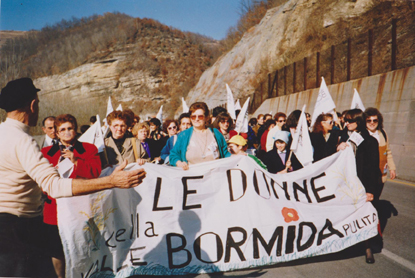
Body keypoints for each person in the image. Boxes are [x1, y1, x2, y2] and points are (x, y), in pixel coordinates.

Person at [0, 78, 146, 276]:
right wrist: (111, 181)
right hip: (19, 228)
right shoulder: (23, 141)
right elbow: (53, 185)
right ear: (33, 105)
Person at [41, 114, 101, 278]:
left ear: (75, 130)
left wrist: (76, 161)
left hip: (80, 209)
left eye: (70, 128)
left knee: (82, 246)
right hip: (54, 210)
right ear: (57, 134)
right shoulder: (45, 153)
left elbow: (95, 173)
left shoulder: (89, 149)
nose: (67, 132)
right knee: (57, 249)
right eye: (62, 130)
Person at [337, 109, 382, 264]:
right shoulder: (341, 137)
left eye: (350, 121)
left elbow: (373, 169)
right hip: (345, 185)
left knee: (364, 216)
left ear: (359, 122)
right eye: (345, 120)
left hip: (361, 185)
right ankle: (346, 245)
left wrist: (370, 191)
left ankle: (367, 248)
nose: (346, 123)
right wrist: (337, 148)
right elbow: (327, 158)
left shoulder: (370, 141)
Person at [169, 102, 231, 170]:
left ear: (206, 118)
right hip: (193, 177)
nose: (196, 119)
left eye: (200, 116)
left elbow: (225, 153)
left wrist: (238, 156)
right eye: (193, 116)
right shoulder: (184, 135)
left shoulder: (216, 133)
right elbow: (173, 155)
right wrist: (178, 163)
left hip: (214, 176)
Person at [365, 107, 396, 195]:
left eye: (375, 120)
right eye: (369, 120)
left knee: (376, 200)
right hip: (366, 176)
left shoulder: (383, 133)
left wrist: (392, 168)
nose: (372, 123)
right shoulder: (361, 134)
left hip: (380, 175)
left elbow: (388, 152)